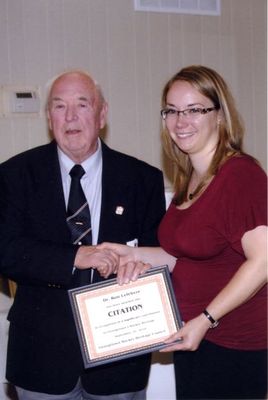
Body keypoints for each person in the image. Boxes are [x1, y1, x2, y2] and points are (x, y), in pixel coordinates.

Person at [99, 65, 268, 399]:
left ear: (220, 115)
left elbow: (263, 261)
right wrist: (128, 252)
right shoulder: (191, 182)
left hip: (232, 344)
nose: (181, 121)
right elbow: (183, 257)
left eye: (195, 110)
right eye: (172, 111)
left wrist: (206, 319)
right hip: (195, 337)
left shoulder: (240, 176)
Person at [0, 70, 166, 399]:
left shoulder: (142, 180)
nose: (71, 116)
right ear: (49, 117)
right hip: (40, 360)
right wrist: (75, 257)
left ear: (102, 114)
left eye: (82, 104)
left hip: (120, 359)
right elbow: (5, 250)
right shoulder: (14, 175)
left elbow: (159, 255)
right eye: (60, 106)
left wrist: (136, 266)